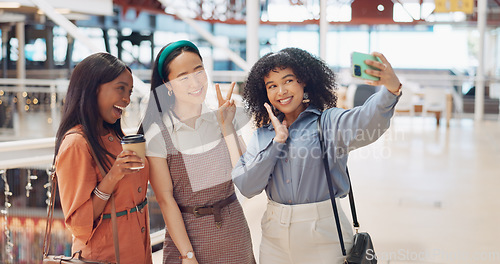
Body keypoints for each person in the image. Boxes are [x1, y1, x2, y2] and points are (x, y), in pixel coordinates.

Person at [232, 48, 401, 264]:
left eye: (288, 81)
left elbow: (369, 120)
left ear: (304, 81)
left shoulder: (329, 123)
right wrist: (277, 143)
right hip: (274, 238)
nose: (281, 91)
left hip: (324, 235)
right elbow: (247, 186)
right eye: (272, 86)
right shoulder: (264, 136)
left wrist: (392, 89)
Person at [142, 40, 255, 264]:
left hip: (235, 233)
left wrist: (227, 126)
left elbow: (245, 179)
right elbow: (166, 200)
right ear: (168, 85)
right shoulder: (158, 134)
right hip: (188, 238)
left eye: (199, 71)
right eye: (183, 77)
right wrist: (187, 254)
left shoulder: (220, 117)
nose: (195, 82)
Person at [54, 52, 152, 263]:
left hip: (137, 249)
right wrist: (112, 177)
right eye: (120, 88)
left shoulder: (118, 136)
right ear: (93, 88)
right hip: (105, 255)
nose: (126, 99)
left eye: (129, 91)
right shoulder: (76, 144)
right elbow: (79, 224)